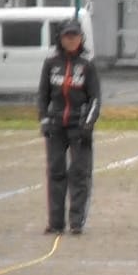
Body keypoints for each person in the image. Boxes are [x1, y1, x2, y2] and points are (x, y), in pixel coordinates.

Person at [38, 19, 101, 236]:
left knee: (80, 173)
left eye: (75, 36)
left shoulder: (87, 65)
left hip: (79, 127)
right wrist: (44, 120)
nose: (71, 39)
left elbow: (95, 98)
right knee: (55, 172)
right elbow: (43, 95)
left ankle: (76, 222)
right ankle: (56, 223)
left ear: (81, 38)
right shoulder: (50, 64)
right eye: (67, 36)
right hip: (56, 126)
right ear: (60, 38)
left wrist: (88, 124)